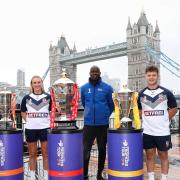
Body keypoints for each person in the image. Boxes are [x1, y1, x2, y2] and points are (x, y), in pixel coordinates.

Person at [137, 66, 177, 180]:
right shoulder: (141, 94)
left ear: (157, 76)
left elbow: (174, 108)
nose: (151, 77)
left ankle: (164, 178)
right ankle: (151, 178)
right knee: (149, 156)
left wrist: (165, 118)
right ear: (145, 76)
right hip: (147, 131)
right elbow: (139, 111)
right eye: (149, 75)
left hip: (162, 131)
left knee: (164, 156)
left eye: (154, 75)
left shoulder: (166, 92)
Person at [81, 66, 114, 180]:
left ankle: (99, 174)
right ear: (89, 73)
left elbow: (111, 105)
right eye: (92, 72)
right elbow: (84, 103)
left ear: (99, 73)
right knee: (86, 150)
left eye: (96, 72)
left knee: (102, 149)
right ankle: (84, 174)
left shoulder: (107, 88)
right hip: (89, 124)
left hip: (102, 125)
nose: (94, 73)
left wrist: (104, 116)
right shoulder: (84, 88)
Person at [21, 75, 51, 180]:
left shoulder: (48, 97)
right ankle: (33, 177)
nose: (37, 84)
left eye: (39, 82)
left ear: (41, 83)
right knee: (32, 154)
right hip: (31, 129)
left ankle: (46, 176)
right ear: (32, 84)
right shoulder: (26, 98)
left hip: (45, 128)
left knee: (45, 153)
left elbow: (53, 112)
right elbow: (23, 113)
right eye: (35, 82)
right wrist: (29, 121)